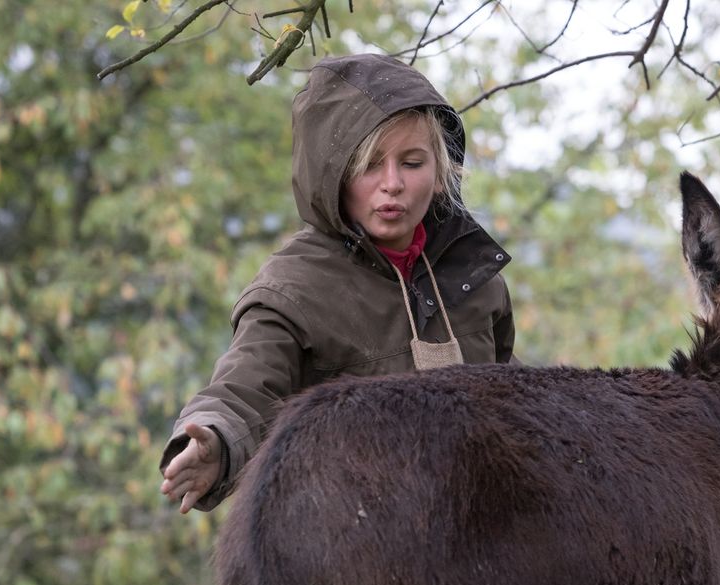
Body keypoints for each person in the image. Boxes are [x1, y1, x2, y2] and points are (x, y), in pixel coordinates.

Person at [159, 53, 516, 513]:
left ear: (441, 170)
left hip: (472, 535)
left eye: (411, 162)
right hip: (351, 547)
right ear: (331, 177)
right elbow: (243, 390)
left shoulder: (473, 274)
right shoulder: (291, 289)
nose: (392, 184)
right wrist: (216, 443)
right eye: (369, 165)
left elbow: (510, 384)